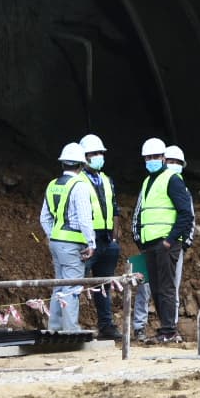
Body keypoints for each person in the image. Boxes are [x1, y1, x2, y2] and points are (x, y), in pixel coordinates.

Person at [133, 137, 194, 344]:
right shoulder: (147, 181)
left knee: (167, 288)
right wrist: (142, 241)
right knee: (157, 288)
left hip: (165, 243)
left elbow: (186, 214)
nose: (151, 160)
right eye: (147, 157)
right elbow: (143, 212)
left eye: (155, 157)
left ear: (163, 158)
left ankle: (169, 330)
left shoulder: (172, 179)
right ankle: (165, 329)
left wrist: (170, 240)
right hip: (151, 244)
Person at [39, 141, 94, 332]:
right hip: (73, 243)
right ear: (81, 165)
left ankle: (54, 327)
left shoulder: (52, 185)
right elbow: (85, 219)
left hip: (56, 242)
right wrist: (91, 242)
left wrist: (52, 234)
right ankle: (70, 329)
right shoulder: (80, 186)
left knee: (59, 285)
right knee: (71, 288)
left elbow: (44, 217)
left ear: (63, 164)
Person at [78, 133, 123, 341]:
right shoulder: (78, 180)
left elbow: (114, 208)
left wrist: (114, 237)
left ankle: (106, 326)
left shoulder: (106, 179)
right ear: (83, 157)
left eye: (100, 153)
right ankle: (68, 324)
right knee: (76, 282)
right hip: (87, 239)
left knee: (103, 285)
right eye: (93, 153)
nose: (98, 157)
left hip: (106, 239)